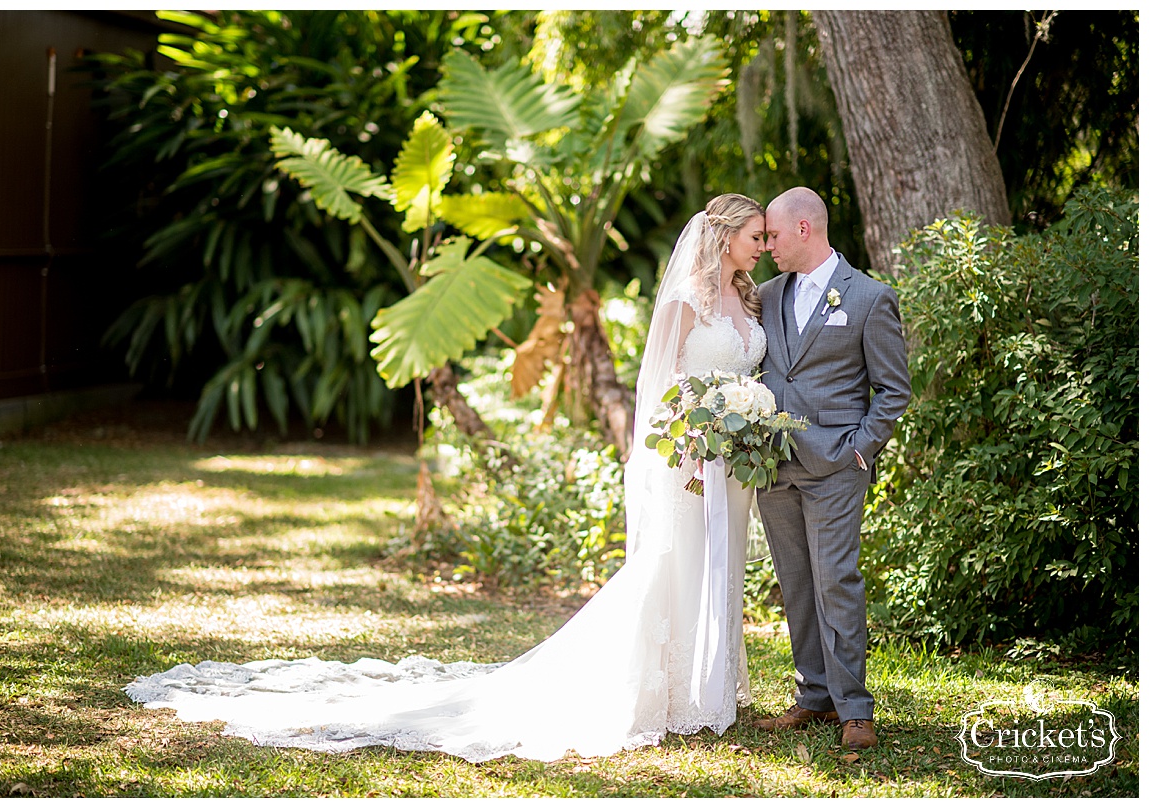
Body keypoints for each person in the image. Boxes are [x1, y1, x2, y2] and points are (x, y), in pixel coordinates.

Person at [123, 194, 772, 763]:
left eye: (768, 237)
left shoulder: (749, 298)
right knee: (676, 566)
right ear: (725, 236)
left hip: (731, 464)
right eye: (756, 236)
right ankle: (662, 692)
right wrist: (688, 442)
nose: (764, 246)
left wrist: (744, 426)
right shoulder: (687, 302)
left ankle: (709, 690)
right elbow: (657, 390)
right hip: (684, 460)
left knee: (720, 565)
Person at [751, 187, 911, 751]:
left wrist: (859, 450)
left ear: (803, 230)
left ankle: (855, 709)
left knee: (836, 580)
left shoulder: (868, 298)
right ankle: (813, 696)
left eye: (771, 234)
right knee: (795, 584)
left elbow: (893, 390)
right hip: (773, 466)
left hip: (837, 465)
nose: (765, 245)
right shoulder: (765, 296)